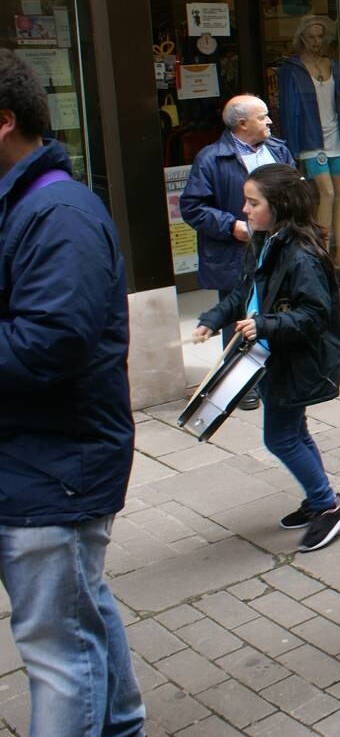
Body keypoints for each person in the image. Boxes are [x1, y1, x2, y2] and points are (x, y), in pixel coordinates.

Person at [0, 50, 145, 736]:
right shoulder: (24, 206)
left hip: (54, 468)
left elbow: (50, 344)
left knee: (57, 649)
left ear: (3, 123)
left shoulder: (58, 214)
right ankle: (124, 724)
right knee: (78, 609)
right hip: (38, 462)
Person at [193, 164, 340, 553]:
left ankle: (327, 505)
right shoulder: (264, 240)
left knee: (279, 437)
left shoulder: (301, 256)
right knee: (293, 432)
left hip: (292, 360)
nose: (244, 210)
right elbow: (240, 293)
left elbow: (316, 315)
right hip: (270, 356)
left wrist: (265, 325)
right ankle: (320, 494)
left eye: (252, 203)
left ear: (279, 205)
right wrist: (213, 320)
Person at [180, 94, 297, 411]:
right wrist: (232, 226)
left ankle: (276, 371)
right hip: (235, 251)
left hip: (279, 247)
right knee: (237, 313)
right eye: (263, 116)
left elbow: (297, 191)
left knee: (275, 308)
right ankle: (239, 381)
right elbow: (192, 208)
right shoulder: (211, 158)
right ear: (243, 124)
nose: (270, 121)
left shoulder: (280, 150)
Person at [278, 15, 340, 269]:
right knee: (327, 192)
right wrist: (292, 147)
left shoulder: (334, 65)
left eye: (320, 37)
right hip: (311, 139)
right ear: (302, 39)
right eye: (311, 37)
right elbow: (286, 109)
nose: (316, 42)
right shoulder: (292, 70)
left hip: (336, 137)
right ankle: (322, 251)